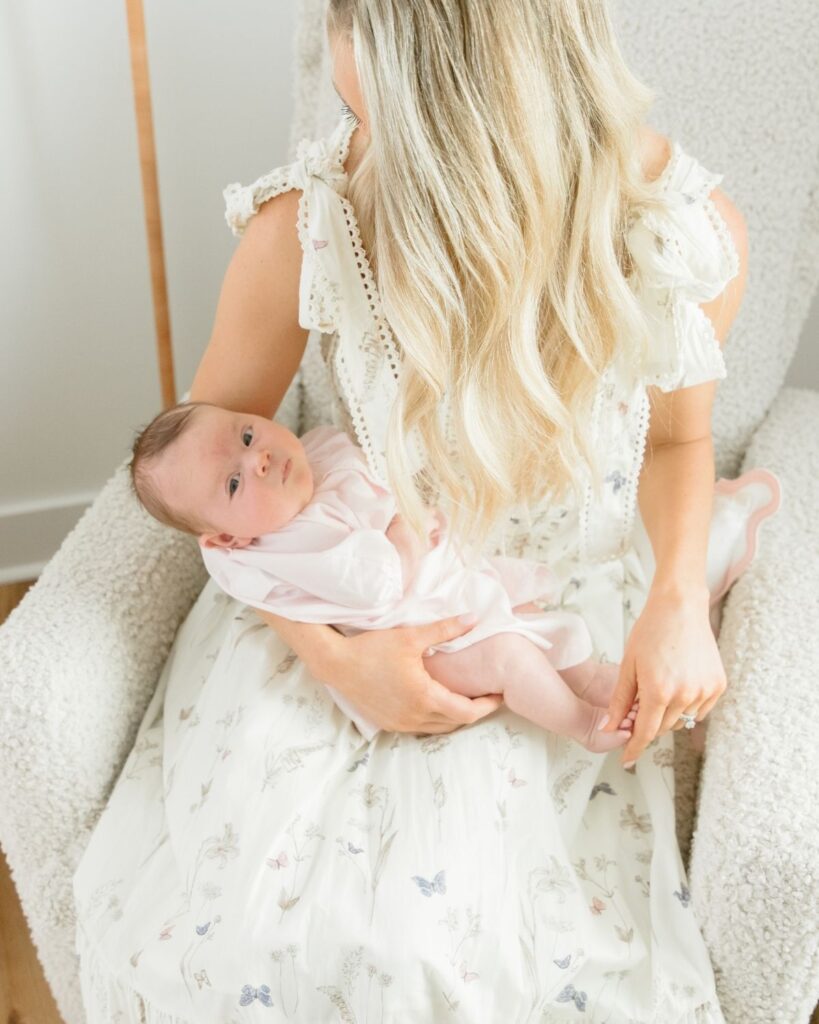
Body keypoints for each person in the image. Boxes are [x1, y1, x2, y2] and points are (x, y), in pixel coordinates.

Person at [73, 2, 767, 1020]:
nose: (351, 127)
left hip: (548, 595)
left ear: (478, 104)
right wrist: (340, 659)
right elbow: (215, 482)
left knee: (474, 956)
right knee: (247, 939)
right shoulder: (307, 228)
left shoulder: (676, 234)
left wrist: (675, 600)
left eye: (386, 109)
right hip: (344, 606)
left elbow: (677, 442)